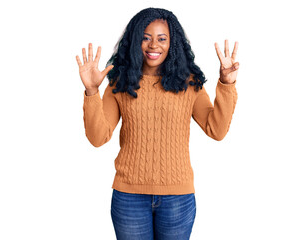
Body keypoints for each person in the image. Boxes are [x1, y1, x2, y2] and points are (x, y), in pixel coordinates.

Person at [76, 7, 239, 240]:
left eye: (162, 39)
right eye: (146, 37)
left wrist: (226, 83)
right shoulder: (120, 82)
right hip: (129, 197)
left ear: (172, 43)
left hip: (178, 199)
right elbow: (97, 137)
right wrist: (92, 91)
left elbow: (217, 130)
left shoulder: (189, 83)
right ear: (135, 41)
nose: (154, 45)